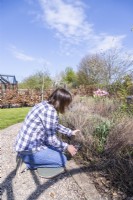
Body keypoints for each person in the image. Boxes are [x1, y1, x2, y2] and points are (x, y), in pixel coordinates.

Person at [15, 88, 80, 170]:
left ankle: (26, 158)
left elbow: (54, 124)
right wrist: (67, 146)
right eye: (66, 104)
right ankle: (27, 164)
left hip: (24, 146)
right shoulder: (50, 111)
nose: (67, 107)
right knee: (62, 160)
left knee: (58, 150)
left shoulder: (44, 104)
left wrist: (70, 132)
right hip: (29, 150)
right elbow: (51, 140)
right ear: (61, 102)